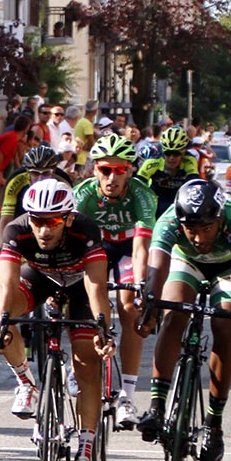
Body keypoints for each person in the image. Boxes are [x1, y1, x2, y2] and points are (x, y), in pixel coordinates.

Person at [0, 180, 114, 461]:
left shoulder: (85, 231)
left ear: (68, 218)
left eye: (53, 221)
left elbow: (97, 287)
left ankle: (85, 448)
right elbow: (6, 284)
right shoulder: (16, 231)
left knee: (87, 361)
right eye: (37, 220)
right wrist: (2, 327)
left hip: (80, 286)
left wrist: (103, 329)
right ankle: (25, 382)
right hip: (39, 279)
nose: (43, 230)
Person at [136, 180, 231, 461]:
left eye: (206, 228)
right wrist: (149, 304)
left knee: (226, 327)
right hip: (186, 262)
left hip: (227, 268)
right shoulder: (169, 220)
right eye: (191, 229)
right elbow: (156, 272)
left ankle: (214, 423)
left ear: (219, 219)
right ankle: (156, 406)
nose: (199, 237)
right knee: (173, 314)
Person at [73, 134, 156, 428]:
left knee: (130, 306)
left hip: (127, 248)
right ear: (95, 169)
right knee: (82, 299)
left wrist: (141, 284)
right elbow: (71, 243)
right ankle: (80, 362)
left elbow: (142, 248)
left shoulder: (142, 195)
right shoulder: (82, 195)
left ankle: (128, 397)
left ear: (130, 171)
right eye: (105, 169)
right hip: (95, 247)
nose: (112, 177)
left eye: (120, 170)